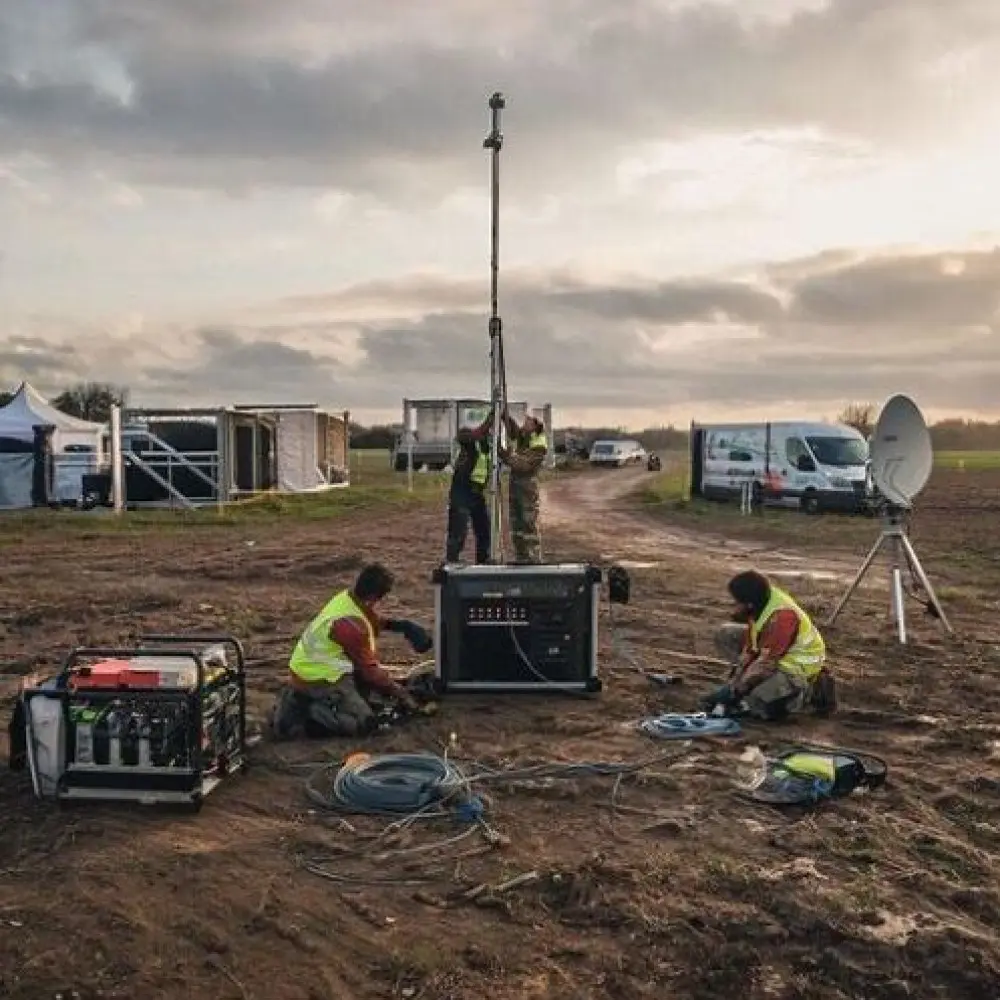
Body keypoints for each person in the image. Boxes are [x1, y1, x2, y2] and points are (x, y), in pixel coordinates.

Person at [270, 563, 433, 739]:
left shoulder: (347, 599)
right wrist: (402, 695)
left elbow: (368, 618)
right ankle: (308, 717)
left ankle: (310, 702)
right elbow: (371, 672)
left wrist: (401, 626)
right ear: (373, 597)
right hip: (320, 679)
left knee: (370, 696)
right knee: (366, 724)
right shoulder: (351, 627)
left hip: (312, 669)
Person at [702, 570, 836, 720]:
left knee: (756, 705)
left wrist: (737, 691)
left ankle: (810, 691)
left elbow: (765, 663)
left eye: (737, 602)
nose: (735, 606)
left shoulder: (782, 618)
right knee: (726, 634)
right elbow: (750, 649)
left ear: (749, 604)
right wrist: (735, 683)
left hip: (797, 666)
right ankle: (751, 686)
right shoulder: (762, 600)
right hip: (775, 652)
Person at [498, 412, 548, 564]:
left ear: (535, 426)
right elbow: (514, 431)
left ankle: (533, 556)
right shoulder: (526, 437)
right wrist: (504, 415)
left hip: (527, 487)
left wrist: (504, 455)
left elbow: (522, 465)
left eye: (528, 422)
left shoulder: (539, 445)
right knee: (516, 521)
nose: (524, 424)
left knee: (527, 521)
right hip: (516, 485)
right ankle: (521, 555)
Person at [445, 428, 491, 563]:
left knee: (484, 530)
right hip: (461, 494)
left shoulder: (487, 452)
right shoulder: (469, 448)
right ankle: (452, 561)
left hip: (477, 495)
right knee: (458, 531)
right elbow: (462, 437)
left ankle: (483, 560)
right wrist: (483, 428)